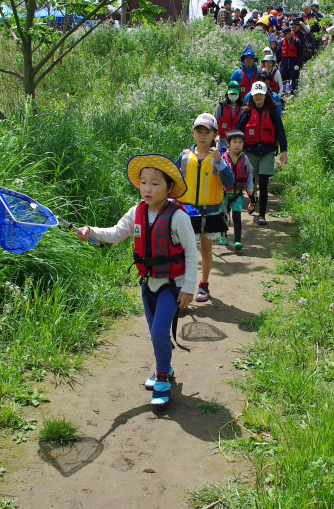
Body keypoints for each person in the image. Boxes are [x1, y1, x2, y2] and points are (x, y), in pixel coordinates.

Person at [76, 155, 196, 406]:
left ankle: (162, 376)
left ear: (169, 188)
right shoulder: (137, 212)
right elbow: (116, 232)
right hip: (147, 283)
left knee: (159, 331)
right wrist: (91, 231)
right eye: (143, 183)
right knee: (155, 333)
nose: (147, 189)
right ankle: (165, 366)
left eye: (155, 183)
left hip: (172, 284)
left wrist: (189, 288)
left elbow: (191, 252)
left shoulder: (178, 217)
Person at [176, 113, 235, 302]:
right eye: (198, 131)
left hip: (211, 212)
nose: (202, 136)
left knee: (206, 250)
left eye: (206, 132)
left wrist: (219, 161)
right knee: (184, 251)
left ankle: (204, 284)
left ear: (214, 134)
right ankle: (183, 288)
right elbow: (174, 182)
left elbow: (229, 182)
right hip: (187, 211)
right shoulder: (185, 156)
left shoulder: (219, 157)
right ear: (193, 133)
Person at [235, 82, 288, 226]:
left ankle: (262, 215)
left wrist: (284, 151)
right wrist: (234, 148)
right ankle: (253, 200)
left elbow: (280, 132)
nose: (258, 97)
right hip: (251, 150)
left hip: (267, 151)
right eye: (255, 95)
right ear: (252, 96)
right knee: (251, 183)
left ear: (265, 95)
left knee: (263, 183)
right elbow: (237, 131)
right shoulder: (247, 111)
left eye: (261, 95)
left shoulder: (272, 111)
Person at [221, 129, 255, 251]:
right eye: (234, 142)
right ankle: (223, 236)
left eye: (240, 142)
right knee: (223, 216)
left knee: (237, 217)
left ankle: (237, 241)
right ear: (228, 144)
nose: (237, 145)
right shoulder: (222, 158)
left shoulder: (244, 159)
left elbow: (250, 173)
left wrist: (250, 187)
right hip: (223, 194)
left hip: (238, 194)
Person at [215, 80, 244, 148]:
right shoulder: (221, 106)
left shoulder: (243, 108)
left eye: (235, 94)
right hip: (222, 141)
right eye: (231, 94)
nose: (233, 95)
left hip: (237, 141)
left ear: (239, 93)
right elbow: (214, 121)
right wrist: (216, 135)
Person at [276, 26, 303, 94]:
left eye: (285, 34)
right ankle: (283, 93)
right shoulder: (281, 42)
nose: (284, 36)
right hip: (284, 63)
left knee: (293, 79)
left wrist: (298, 64)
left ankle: (292, 93)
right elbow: (278, 54)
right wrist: (276, 63)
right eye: (283, 35)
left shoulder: (297, 42)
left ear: (289, 33)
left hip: (293, 63)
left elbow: (300, 54)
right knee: (282, 79)